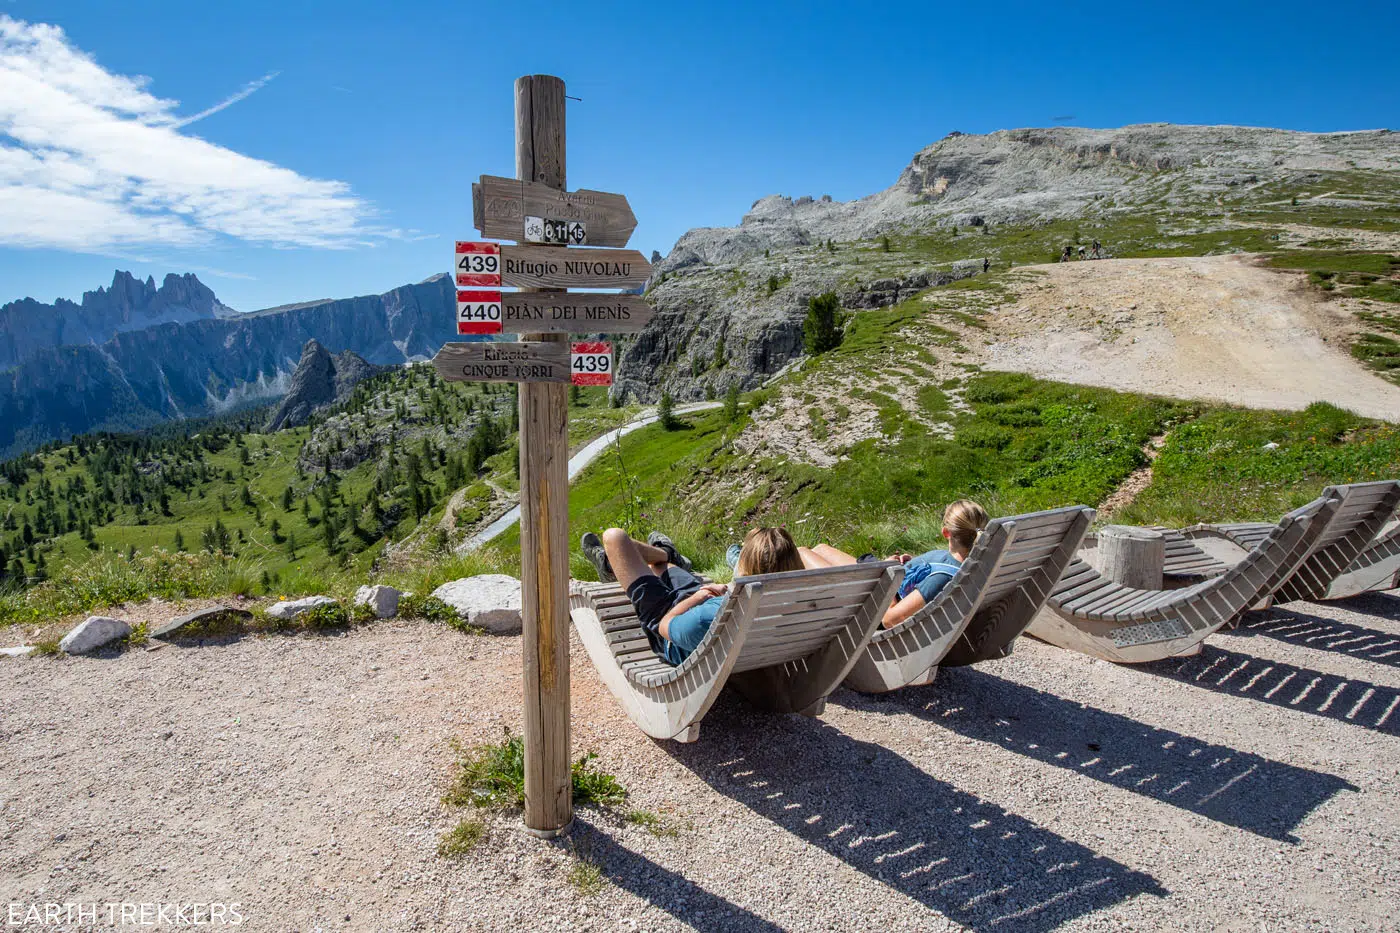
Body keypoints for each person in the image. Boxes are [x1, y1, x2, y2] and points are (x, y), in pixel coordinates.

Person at [580, 526, 803, 666]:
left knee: (614, 537)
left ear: (744, 571)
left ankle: (610, 563)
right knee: (661, 565)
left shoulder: (709, 616)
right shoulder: (793, 600)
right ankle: (666, 553)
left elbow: (665, 625)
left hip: (667, 623)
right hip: (703, 608)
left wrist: (700, 597)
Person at [797, 500, 989, 630]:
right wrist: (912, 565)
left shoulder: (942, 578)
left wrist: (887, 575)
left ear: (946, 532)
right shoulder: (970, 563)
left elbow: (890, 620)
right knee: (820, 548)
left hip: (873, 595)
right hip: (886, 580)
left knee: (801, 553)